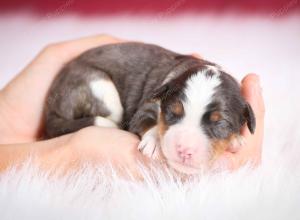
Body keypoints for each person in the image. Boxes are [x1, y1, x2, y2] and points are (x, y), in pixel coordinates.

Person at [0, 34, 265, 177]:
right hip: (91, 77)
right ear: (163, 97)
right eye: (173, 117)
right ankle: (87, 123)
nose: (185, 148)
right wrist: (150, 130)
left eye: (217, 124)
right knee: (116, 108)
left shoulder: (232, 103)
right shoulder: (165, 91)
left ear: (245, 120)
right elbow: (143, 114)